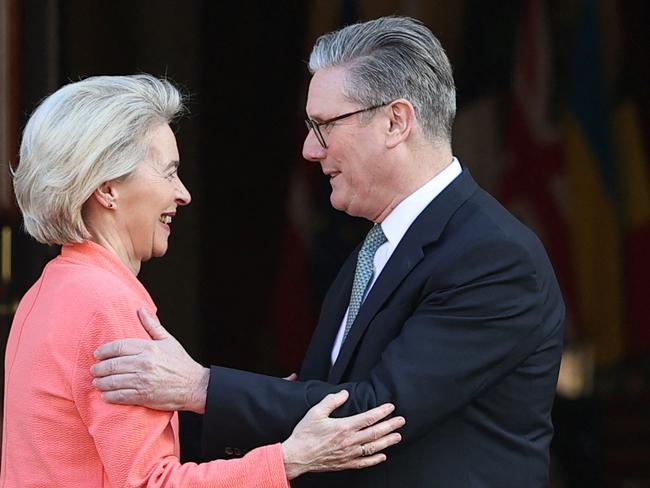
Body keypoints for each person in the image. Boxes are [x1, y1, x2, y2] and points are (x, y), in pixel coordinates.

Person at [92, 16, 565, 487]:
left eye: (324, 126)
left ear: (396, 122)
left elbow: (372, 415)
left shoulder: (493, 257)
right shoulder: (373, 251)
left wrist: (198, 387)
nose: (308, 150)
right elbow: (315, 413)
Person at [1, 74, 405, 487]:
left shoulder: (48, 291)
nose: (183, 193)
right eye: (168, 172)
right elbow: (152, 483)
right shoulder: (104, 303)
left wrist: (254, 410)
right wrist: (289, 460)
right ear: (107, 189)